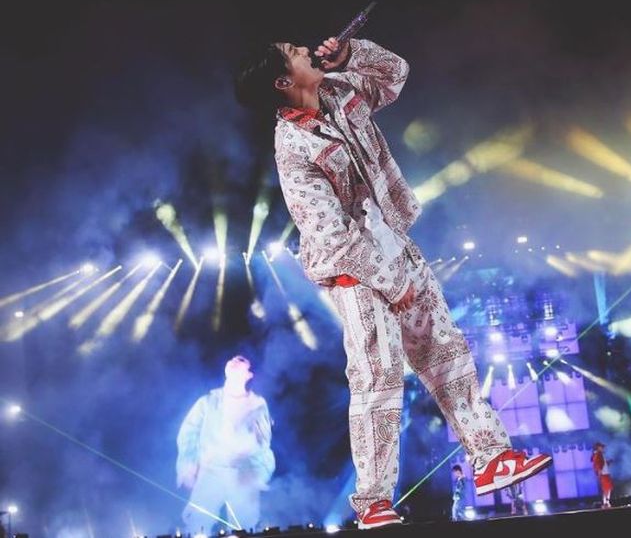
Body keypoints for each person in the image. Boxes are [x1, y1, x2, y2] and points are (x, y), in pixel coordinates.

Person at [235, 33, 551, 529]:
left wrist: (352, 53)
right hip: (353, 271)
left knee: (446, 352)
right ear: (282, 81)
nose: (307, 51)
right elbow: (331, 235)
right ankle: (373, 501)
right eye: (295, 53)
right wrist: (393, 281)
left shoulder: (340, 89)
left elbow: (395, 76)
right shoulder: (292, 148)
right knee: (378, 374)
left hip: (394, 243)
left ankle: (491, 457)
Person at [176, 355, 274, 534]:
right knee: (197, 523)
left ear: (249, 374)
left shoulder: (257, 404)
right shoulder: (208, 401)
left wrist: (258, 472)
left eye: (241, 361)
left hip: (243, 474)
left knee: (245, 527)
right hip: (211, 471)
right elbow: (188, 431)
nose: (236, 360)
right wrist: (188, 462)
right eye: (232, 360)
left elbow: (263, 441)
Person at [591, 442, 612, 508]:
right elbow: (597, 464)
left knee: (607, 488)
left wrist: (608, 462)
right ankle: (606, 502)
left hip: (605, 473)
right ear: (598, 447)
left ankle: (606, 502)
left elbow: (602, 464)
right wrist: (599, 471)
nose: (603, 448)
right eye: (602, 447)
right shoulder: (598, 454)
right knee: (607, 488)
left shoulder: (600, 454)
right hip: (603, 474)